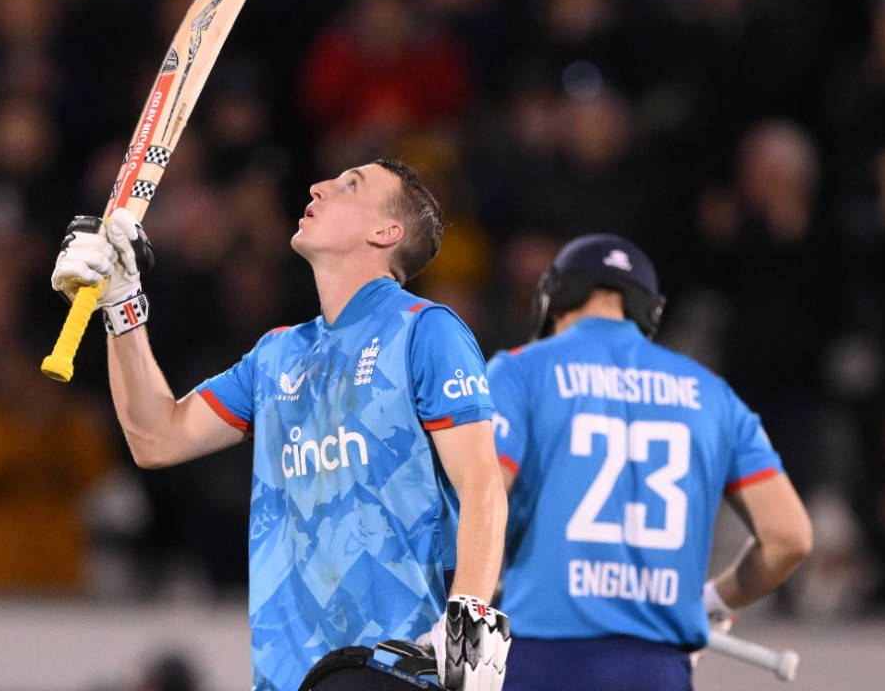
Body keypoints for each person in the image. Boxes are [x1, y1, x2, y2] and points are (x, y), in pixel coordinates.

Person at [50, 159, 510, 691]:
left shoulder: (426, 331)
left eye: (350, 186)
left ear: (386, 233)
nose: (317, 186)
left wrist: (469, 625)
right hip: (288, 678)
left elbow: (483, 487)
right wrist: (122, 306)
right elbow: (156, 438)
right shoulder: (278, 355)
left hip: (395, 666)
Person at [487, 234, 812, 691]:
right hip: (657, 667)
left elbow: (478, 501)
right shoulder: (713, 394)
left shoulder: (521, 371)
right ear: (648, 310)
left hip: (543, 655)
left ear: (555, 297)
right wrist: (711, 604)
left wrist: (467, 597)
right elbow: (789, 538)